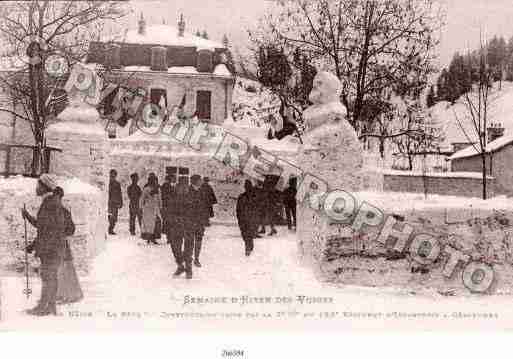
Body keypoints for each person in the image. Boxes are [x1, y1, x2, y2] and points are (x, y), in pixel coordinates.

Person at [22, 174, 66, 316]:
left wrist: (39, 246)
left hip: (52, 248)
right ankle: (50, 306)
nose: (36, 188)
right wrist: (28, 216)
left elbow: (50, 230)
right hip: (52, 247)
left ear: (44, 187)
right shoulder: (50, 202)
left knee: (48, 276)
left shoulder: (51, 203)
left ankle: (44, 307)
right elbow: (44, 228)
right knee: (50, 276)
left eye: (38, 185)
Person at [53, 186, 83, 304]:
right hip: (55, 244)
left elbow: (72, 229)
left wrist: (62, 233)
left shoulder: (64, 211)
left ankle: (70, 295)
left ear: (59, 197)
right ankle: (60, 294)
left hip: (62, 244)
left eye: (55, 197)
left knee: (66, 269)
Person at [169, 177, 191, 278]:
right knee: (175, 246)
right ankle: (180, 265)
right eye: (180, 186)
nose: (182, 188)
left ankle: (188, 269)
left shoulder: (191, 197)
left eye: (184, 186)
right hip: (175, 225)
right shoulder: (174, 196)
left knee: (188, 247)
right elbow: (169, 209)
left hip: (187, 225)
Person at [187, 174, 210, 270]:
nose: (201, 182)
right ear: (195, 181)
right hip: (190, 220)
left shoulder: (202, 191)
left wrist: (205, 219)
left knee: (199, 240)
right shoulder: (187, 191)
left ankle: (196, 258)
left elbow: (205, 205)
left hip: (200, 220)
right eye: (200, 180)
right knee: (190, 241)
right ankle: (189, 258)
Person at [236, 180, 258, 256]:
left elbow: (257, 208)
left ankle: (248, 247)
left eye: (248, 186)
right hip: (244, 219)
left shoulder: (254, 196)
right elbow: (238, 209)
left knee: (247, 234)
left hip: (250, 219)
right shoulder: (241, 196)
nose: (247, 188)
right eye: (246, 186)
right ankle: (249, 246)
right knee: (246, 234)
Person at [140, 173, 162, 245]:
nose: (154, 182)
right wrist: (141, 207)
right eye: (153, 181)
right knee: (149, 224)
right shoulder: (146, 189)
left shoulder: (158, 189)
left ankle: (154, 238)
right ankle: (148, 238)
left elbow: (159, 199)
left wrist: (160, 207)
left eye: (155, 181)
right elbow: (142, 198)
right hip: (148, 209)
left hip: (156, 208)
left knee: (157, 223)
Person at [161, 174, 175, 243]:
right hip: (168, 207)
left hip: (165, 206)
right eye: (172, 178)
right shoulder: (169, 186)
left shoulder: (163, 186)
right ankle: (169, 238)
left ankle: (168, 237)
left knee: (167, 222)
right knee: (169, 222)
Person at [108, 169, 123, 235]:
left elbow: (120, 194)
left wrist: (121, 202)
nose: (113, 176)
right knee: (109, 216)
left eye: (114, 174)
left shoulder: (117, 184)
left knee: (114, 217)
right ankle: (108, 229)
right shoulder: (107, 183)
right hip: (109, 203)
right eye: (112, 174)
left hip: (115, 203)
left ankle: (111, 229)